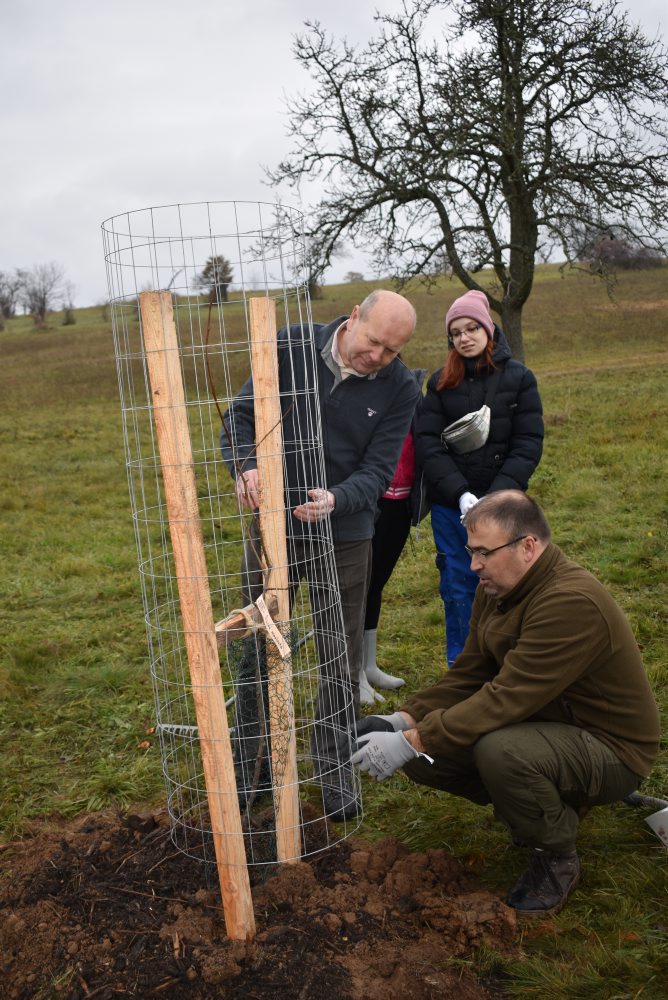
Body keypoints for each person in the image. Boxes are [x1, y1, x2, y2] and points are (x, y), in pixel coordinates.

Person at [351, 491, 661, 916]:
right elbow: (471, 674)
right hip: (545, 721)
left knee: (499, 752)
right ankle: (538, 806)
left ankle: (556, 854)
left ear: (528, 547)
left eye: (483, 553)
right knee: (427, 755)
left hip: (611, 749)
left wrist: (416, 737)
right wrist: (401, 719)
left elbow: (507, 697)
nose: (474, 564)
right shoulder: (498, 587)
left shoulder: (570, 603)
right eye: (470, 552)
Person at [221, 289, 421, 821]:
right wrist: (245, 467)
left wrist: (337, 499)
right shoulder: (290, 347)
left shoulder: (401, 387)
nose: (376, 357)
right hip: (273, 528)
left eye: (391, 351)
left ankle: (333, 773)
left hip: (347, 534)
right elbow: (238, 418)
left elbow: (379, 471)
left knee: (340, 654)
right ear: (353, 317)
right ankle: (252, 771)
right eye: (373, 341)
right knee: (256, 648)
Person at [415, 290, 543, 665]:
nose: (464, 337)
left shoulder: (519, 378)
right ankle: (462, 664)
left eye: (472, 328)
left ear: (488, 330)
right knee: (458, 584)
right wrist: (460, 494)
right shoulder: (440, 383)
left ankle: (508, 662)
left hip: (503, 508)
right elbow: (428, 445)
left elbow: (528, 443)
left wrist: (497, 497)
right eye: (456, 332)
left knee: (508, 583)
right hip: (452, 508)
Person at [360, 367, 428, 706]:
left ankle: (369, 665)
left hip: (401, 503)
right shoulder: (361, 391)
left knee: (377, 583)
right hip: (371, 501)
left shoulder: (409, 389)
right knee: (358, 584)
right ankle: (352, 671)